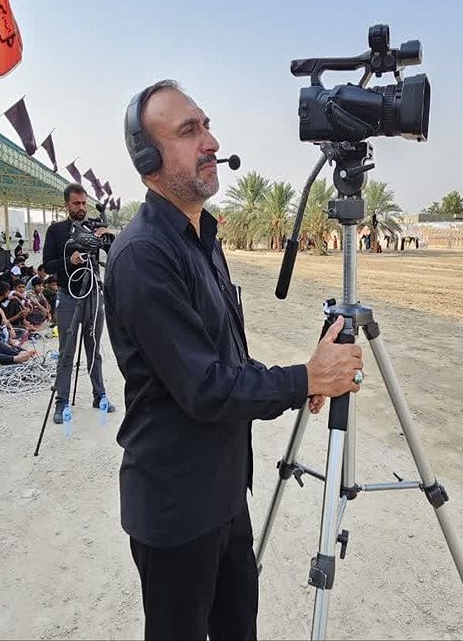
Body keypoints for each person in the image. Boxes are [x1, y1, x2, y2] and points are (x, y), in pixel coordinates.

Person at [105, 80, 363, 640]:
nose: (211, 142)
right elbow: (205, 386)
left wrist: (302, 381)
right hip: (176, 509)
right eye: (189, 131)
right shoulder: (144, 255)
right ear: (148, 160)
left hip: (224, 492)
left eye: (207, 125)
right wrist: (304, 379)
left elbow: (227, 356)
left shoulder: (202, 236)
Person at [41, 184, 113, 422]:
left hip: (93, 294)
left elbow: (113, 252)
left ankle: (99, 395)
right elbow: (47, 265)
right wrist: (69, 260)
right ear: (67, 205)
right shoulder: (56, 230)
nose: (81, 208)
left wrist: (106, 237)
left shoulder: (94, 227)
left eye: (84, 203)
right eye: (76, 203)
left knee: (94, 349)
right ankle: (61, 402)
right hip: (68, 296)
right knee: (66, 353)